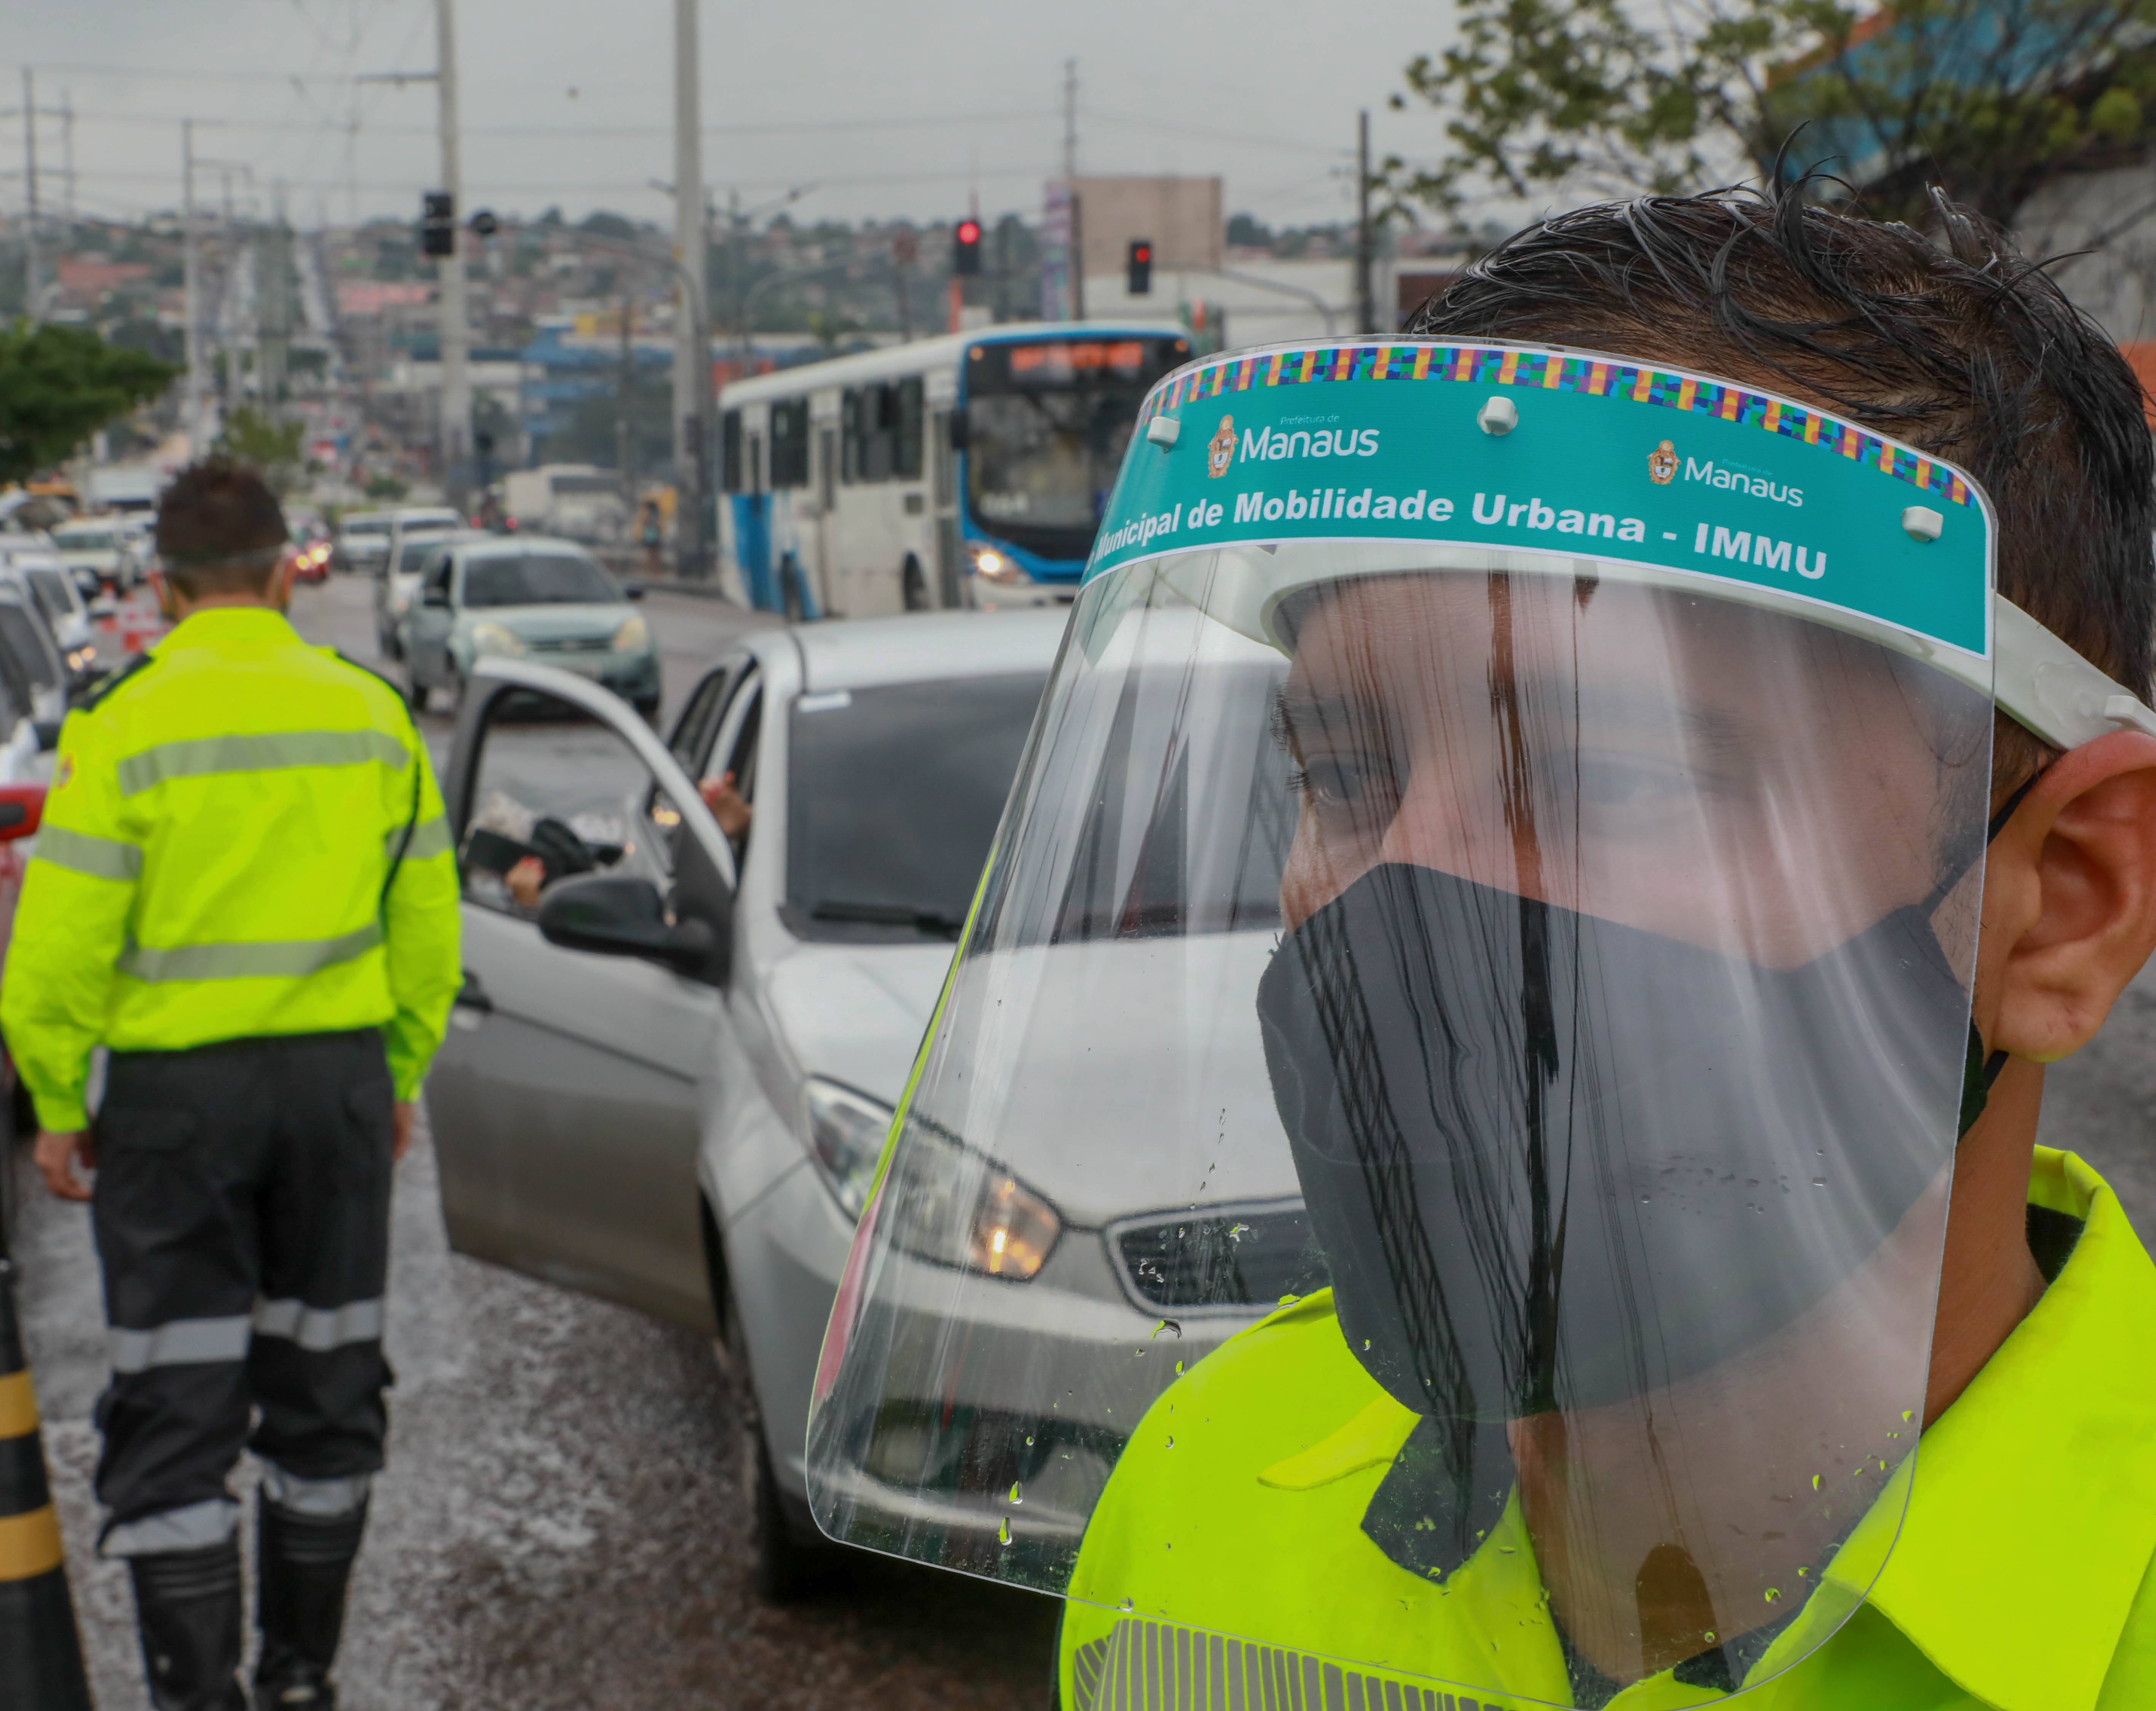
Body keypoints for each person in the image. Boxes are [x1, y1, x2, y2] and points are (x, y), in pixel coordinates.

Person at [805, 181, 2156, 1709]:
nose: (1399, 886)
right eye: (1346, 773)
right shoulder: (1210, 1482)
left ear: (2072, 900)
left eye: (1605, 773)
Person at [0, 458, 461, 1711]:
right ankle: (300, 1682)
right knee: (326, 1384)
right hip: (335, 1090)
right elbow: (428, 926)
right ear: (281, 576)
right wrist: (397, 1070)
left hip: (173, 1107)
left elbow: (58, 944)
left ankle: (195, 1698)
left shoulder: (124, 725)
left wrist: (53, 1097)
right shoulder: (368, 714)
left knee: (176, 1395)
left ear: (161, 588)